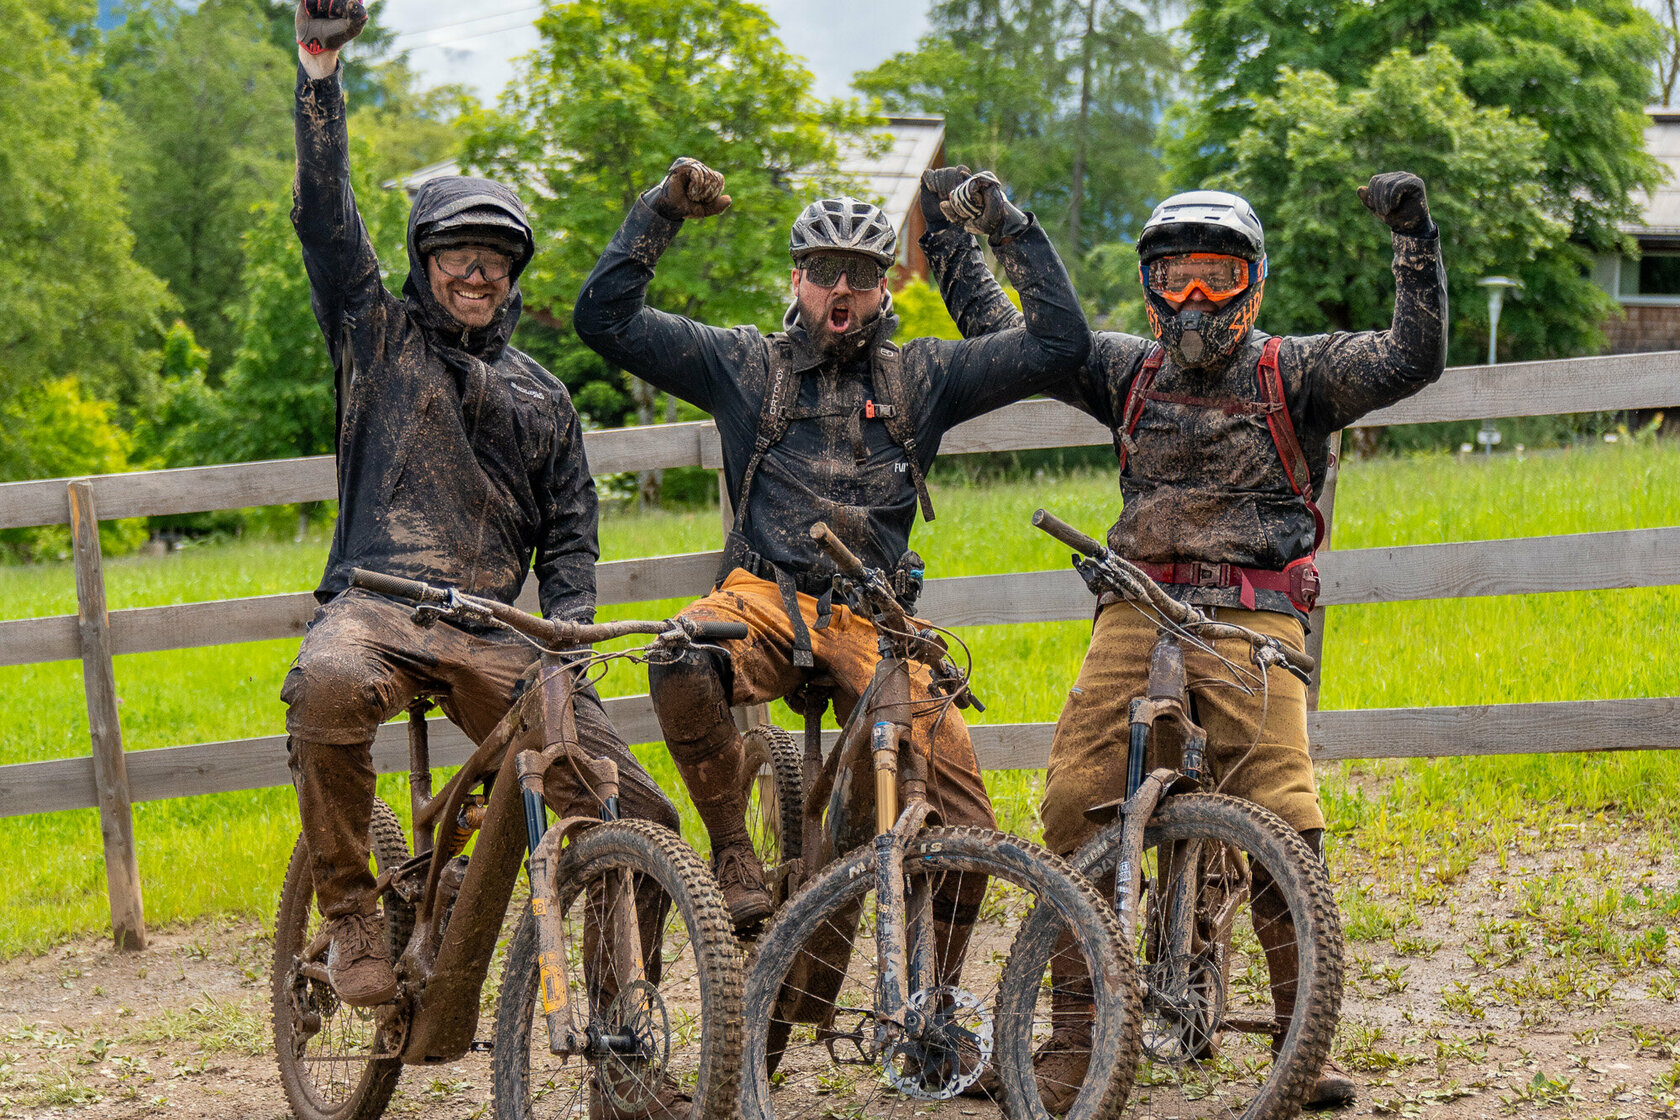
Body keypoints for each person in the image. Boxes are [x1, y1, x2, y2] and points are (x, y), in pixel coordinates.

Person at [923, 171, 1448, 1110]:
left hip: (1253, 615)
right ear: (1148, 285)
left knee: (1284, 815)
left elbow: (1414, 356)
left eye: (1215, 275)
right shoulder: (1126, 369)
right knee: (1075, 800)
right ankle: (1075, 1037)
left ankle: (1301, 1034)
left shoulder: (1299, 371)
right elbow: (1016, 337)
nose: (1195, 299)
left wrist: (1415, 237)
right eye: (1175, 277)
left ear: (1251, 280)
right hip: (1136, 604)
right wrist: (958, 228)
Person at [572, 159, 1090, 944]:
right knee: (680, 654)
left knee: (970, 833)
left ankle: (937, 1023)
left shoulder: (924, 374)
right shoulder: (746, 365)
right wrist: (660, 211)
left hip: (876, 622)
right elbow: (602, 320)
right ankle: (734, 854)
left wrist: (1003, 231)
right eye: (822, 272)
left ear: (884, 286)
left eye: (859, 273)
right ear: (797, 277)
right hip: (764, 600)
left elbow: (1059, 345)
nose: (839, 289)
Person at [284, 0, 678, 1015]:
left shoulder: (545, 398)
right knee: (323, 683)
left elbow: (573, 537)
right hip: (376, 601)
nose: (475, 269)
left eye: (494, 257)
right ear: (423, 262)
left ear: (513, 276)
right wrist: (320, 76)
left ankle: (619, 1032)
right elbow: (327, 223)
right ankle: (352, 913)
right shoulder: (374, 335)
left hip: (498, 630)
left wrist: (571, 637)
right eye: (456, 252)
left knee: (643, 815)